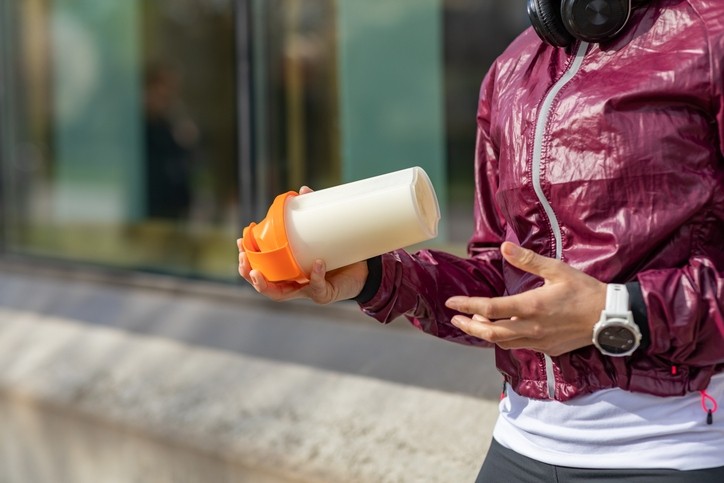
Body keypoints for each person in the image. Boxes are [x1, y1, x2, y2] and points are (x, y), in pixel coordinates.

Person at [238, 0, 724, 481]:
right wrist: (375, 276)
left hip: (677, 447)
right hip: (521, 444)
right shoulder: (511, 68)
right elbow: (499, 277)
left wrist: (616, 312)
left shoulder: (710, 34)